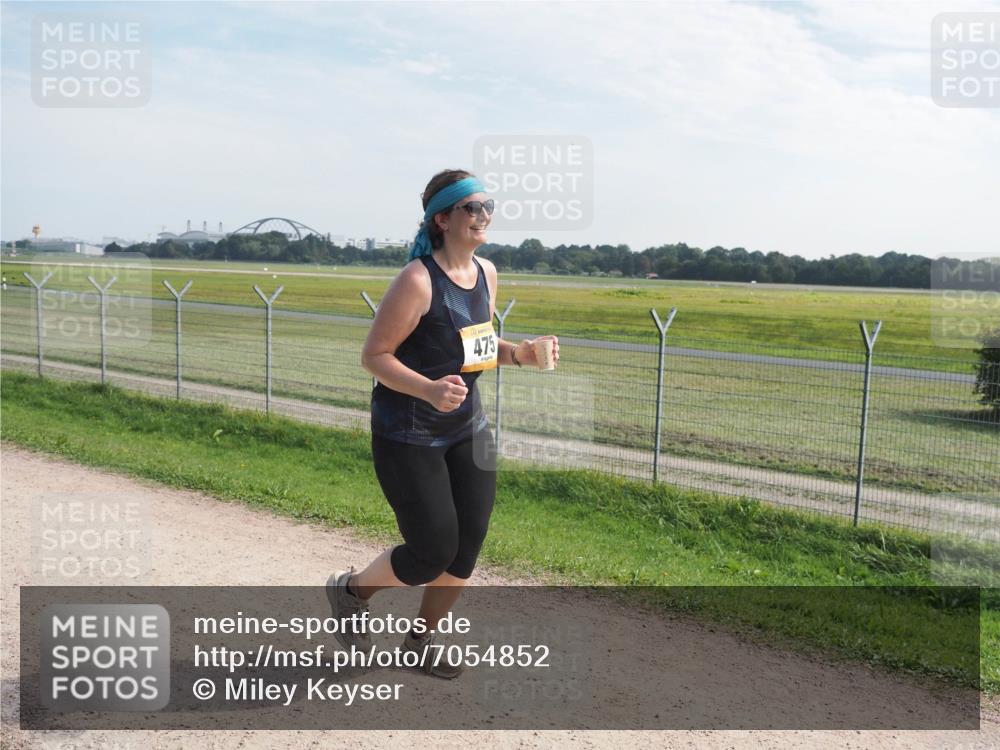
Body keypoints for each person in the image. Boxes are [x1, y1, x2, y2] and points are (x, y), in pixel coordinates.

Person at [326, 169, 559, 678]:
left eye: (487, 205)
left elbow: (475, 344)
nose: (484, 215)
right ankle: (350, 592)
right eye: (473, 207)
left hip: (465, 428)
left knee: (467, 545)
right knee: (432, 552)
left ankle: (420, 642)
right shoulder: (416, 280)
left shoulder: (486, 273)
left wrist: (520, 353)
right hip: (408, 433)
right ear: (444, 218)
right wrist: (429, 389)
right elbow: (374, 356)